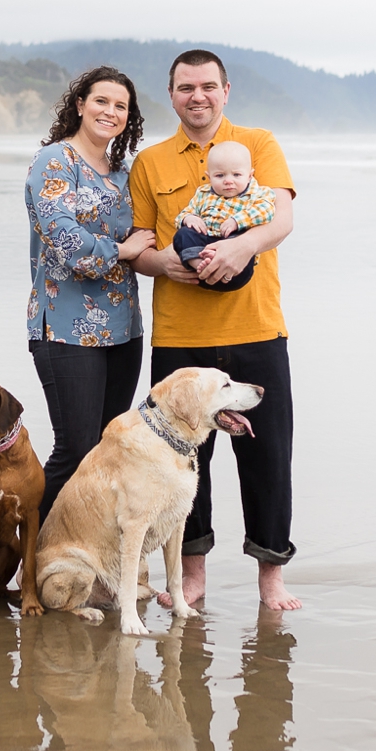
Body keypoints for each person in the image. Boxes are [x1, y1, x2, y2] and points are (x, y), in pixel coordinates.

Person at [129, 49, 301, 611]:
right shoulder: (151, 162)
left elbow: (281, 218)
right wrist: (165, 265)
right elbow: (139, 246)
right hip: (181, 337)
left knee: (268, 457)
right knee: (181, 460)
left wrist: (241, 245)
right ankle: (192, 577)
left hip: (256, 327)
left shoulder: (259, 144)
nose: (196, 96)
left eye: (207, 86)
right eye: (184, 88)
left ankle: (271, 580)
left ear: (226, 90)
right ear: (172, 94)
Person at [25, 66, 157, 521]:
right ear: (80, 104)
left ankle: (88, 555)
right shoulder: (55, 161)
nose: (110, 111)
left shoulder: (122, 172)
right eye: (101, 101)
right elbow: (63, 240)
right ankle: (32, 558)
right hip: (64, 328)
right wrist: (122, 249)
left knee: (105, 451)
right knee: (75, 448)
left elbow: (151, 231)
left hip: (124, 331)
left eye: (121, 106)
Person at [171, 140, 277, 293]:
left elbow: (267, 211)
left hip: (236, 262)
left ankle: (215, 264)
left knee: (241, 239)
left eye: (236, 175)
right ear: (209, 176)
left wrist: (237, 221)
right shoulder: (203, 193)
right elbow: (185, 213)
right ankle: (200, 264)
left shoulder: (259, 193)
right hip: (204, 250)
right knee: (182, 235)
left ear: (249, 175)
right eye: (220, 175)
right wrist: (189, 218)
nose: (228, 181)